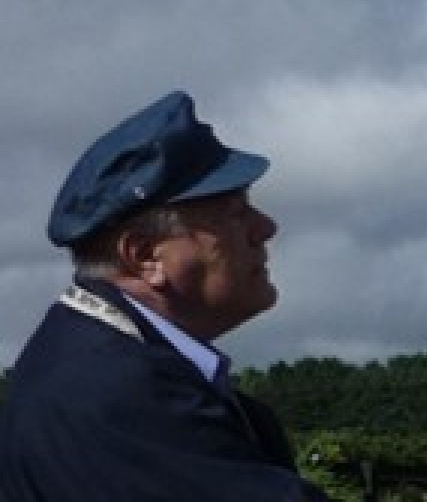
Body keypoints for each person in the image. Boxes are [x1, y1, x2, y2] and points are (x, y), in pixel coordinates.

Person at [0, 91, 329, 501]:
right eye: (235, 213)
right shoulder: (123, 396)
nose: (266, 227)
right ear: (144, 256)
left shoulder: (94, 360)